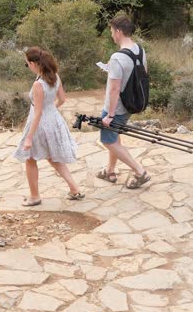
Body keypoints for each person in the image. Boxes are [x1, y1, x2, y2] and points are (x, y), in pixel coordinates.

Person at [13, 47, 84, 207]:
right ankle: (74, 189)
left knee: (30, 158)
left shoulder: (38, 84)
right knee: (53, 157)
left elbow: (37, 113)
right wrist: (51, 110)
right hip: (54, 120)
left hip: (40, 124)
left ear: (33, 63)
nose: (28, 67)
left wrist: (29, 138)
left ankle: (34, 196)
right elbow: (62, 99)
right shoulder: (54, 77)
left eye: (27, 64)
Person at [96, 13, 151, 189]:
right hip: (132, 103)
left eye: (112, 31)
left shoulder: (117, 57)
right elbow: (142, 75)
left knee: (108, 140)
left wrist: (109, 115)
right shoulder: (140, 50)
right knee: (115, 135)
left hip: (117, 107)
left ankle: (139, 172)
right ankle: (110, 171)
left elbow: (114, 89)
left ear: (118, 31)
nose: (112, 34)